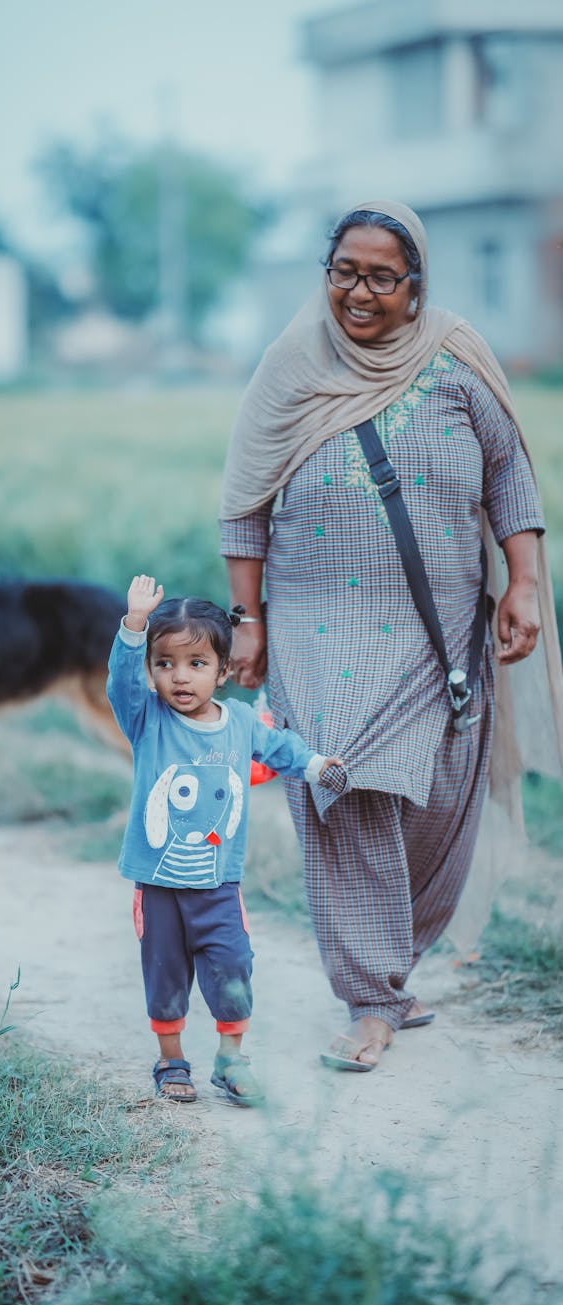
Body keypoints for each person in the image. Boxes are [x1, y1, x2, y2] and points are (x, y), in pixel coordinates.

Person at [220, 200, 563, 1072]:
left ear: (417, 286)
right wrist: (247, 618)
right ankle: (370, 998)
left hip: (440, 630)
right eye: (344, 272)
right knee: (343, 779)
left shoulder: (457, 359)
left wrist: (521, 581)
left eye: (381, 275)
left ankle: (391, 966)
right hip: (312, 626)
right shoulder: (291, 366)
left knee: (438, 795)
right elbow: (245, 504)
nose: (359, 292)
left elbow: (511, 480)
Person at [106, 573, 340, 1104]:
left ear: (224, 671)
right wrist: (135, 625)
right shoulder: (148, 720)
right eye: (164, 664)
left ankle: (232, 1060)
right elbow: (121, 682)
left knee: (233, 963)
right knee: (165, 973)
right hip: (160, 883)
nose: (179, 678)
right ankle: (172, 1063)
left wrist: (316, 764)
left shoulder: (238, 722)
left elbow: (280, 748)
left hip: (218, 882)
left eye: (196, 664)